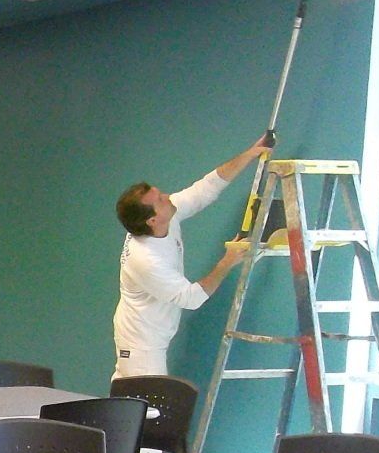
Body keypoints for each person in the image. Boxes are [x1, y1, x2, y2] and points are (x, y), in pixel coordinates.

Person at [111, 134, 273, 379]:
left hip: (148, 338)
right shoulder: (145, 259)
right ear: (152, 220)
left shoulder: (167, 216)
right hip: (141, 345)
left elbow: (205, 189)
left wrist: (249, 154)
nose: (167, 196)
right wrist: (227, 261)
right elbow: (191, 298)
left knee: (133, 406)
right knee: (144, 409)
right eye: (160, 199)